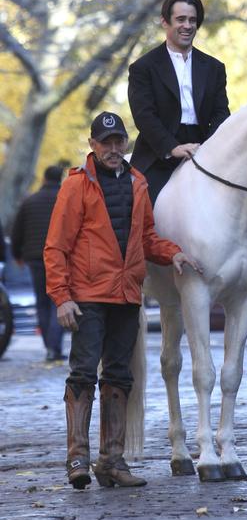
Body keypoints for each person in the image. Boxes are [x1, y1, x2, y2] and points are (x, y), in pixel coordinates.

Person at [128, 0, 247, 337]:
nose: (187, 26)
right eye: (180, 19)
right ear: (165, 22)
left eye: (192, 21)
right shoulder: (144, 68)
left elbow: (220, 114)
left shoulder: (214, 67)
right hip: (160, 151)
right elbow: (144, 116)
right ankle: (130, 280)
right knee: (139, 204)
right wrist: (172, 147)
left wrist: (212, 148)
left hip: (209, 148)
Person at [44, 111, 200, 490]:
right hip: (87, 296)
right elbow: (56, 247)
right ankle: (77, 458)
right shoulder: (76, 186)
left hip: (127, 294)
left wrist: (172, 252)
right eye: (106, 143)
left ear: (125, 145)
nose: (113, 149)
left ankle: (111, 461)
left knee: (118, 376)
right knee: (83, 374)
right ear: (93, 145)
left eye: (119, 142)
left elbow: (146, 238)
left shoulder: (138, 183)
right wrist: (62, 298)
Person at [11, 165, 66, 361]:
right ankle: (55, 346)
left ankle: (49, 346)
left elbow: (17, 231)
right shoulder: (65, 198)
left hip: (34, 257)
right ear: (60, 178)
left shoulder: (29, 202)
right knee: (58, 300)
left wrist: (17, 255)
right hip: (60, 257)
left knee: (42, 301)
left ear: (44, 179)